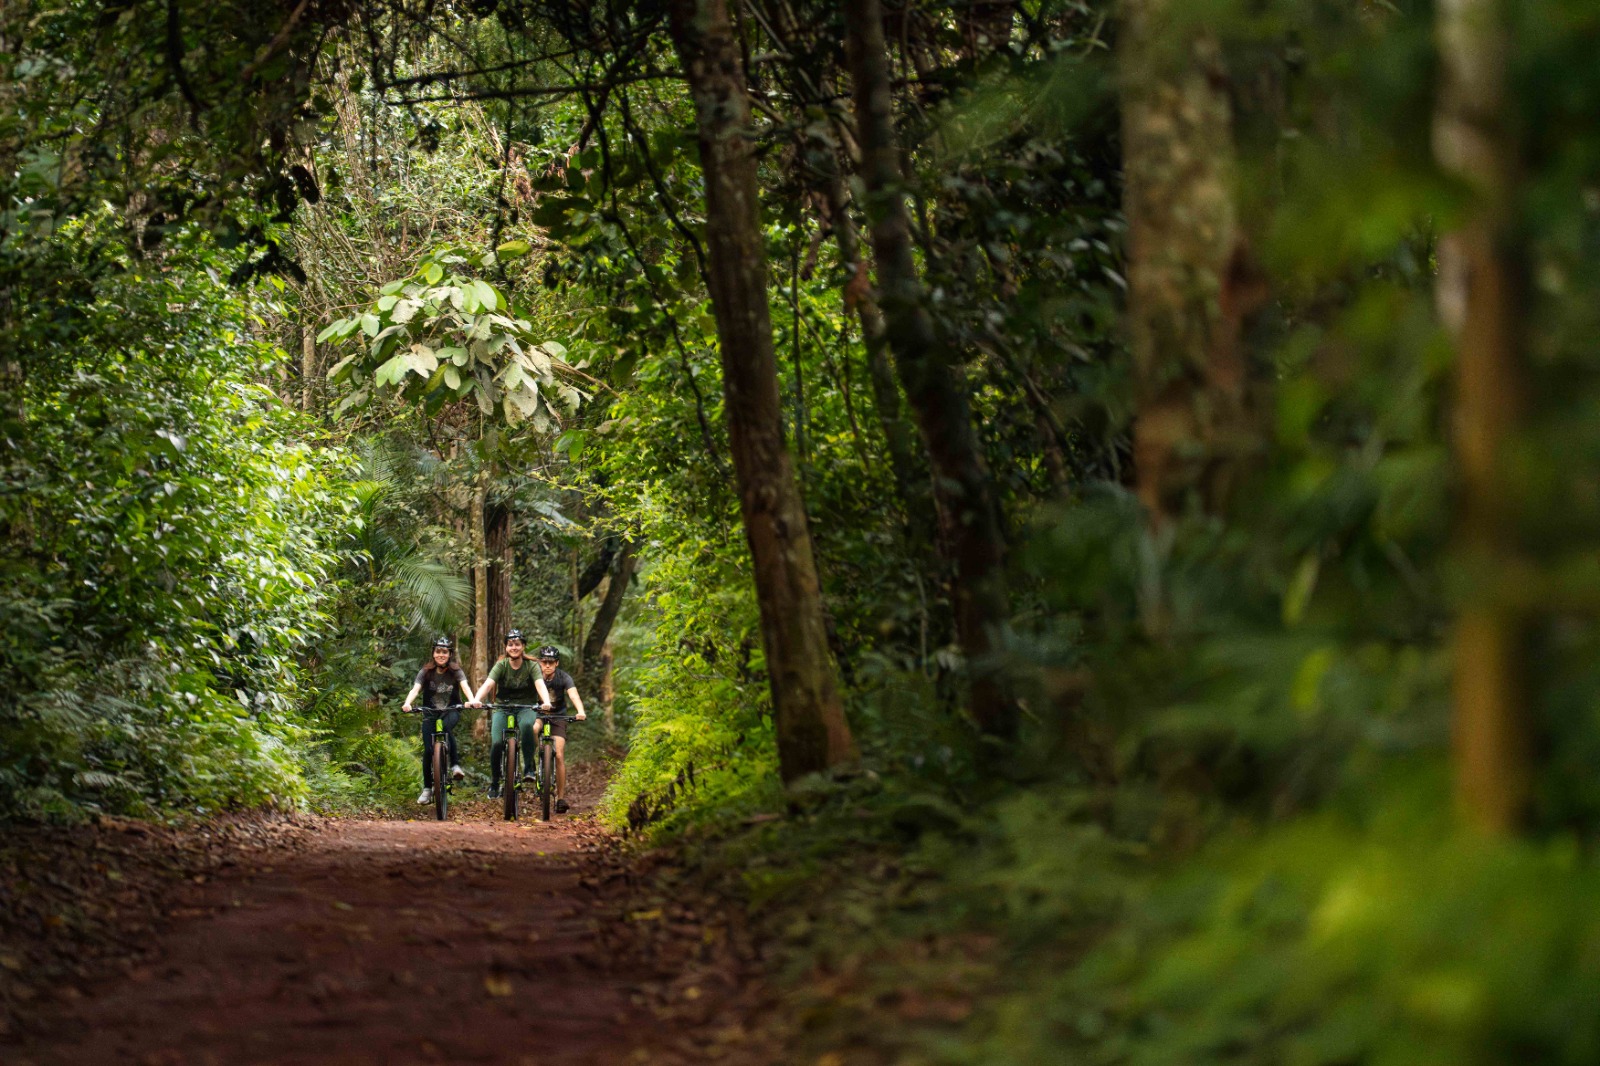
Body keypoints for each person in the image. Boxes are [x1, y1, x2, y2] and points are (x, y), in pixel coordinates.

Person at [402, 637, 476, 805]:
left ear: (450, 654)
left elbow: (465, 686)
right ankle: (427, 789)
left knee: (446, 728)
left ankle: (455, 765)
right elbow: (416, 689)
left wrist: (471, 700)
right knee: (428, 751)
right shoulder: (426, 671)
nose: (441, 655)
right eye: (438, 651)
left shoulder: (455, 670)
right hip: (430, 713)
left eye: (444, 652)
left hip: (451, 710)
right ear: (433, 653)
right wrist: (407, 703)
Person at [472, 629, 543, 799]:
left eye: (517, 644)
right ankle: (495, 782)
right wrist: (476, 699)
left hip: (525, 706)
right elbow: (488, 684)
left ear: (523, 646)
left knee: (527, 726)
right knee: (497, 743)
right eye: (510, 644)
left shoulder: (532, 666)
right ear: (506, 647)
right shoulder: (501, 665)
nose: (514, 647)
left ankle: (528, 768)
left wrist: (545, 701)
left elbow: (540, 684)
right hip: (502, 707)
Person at [533, 644, 587, 814]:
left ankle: (561, 797)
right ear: (540, 663)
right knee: (533, 729)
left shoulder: (564, 677)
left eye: (551, 662)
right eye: (544, 662)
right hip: (538, 715)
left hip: (558, 717)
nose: (547, 665)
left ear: (556, 663)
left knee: (560, 754)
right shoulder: (534, 676)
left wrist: (580, 711)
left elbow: (573, 694)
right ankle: (535, 754)